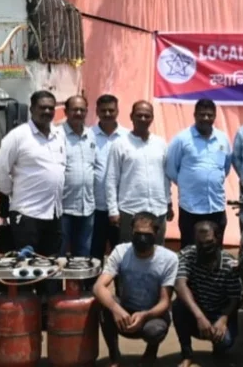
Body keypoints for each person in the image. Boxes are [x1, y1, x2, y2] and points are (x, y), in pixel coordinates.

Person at [92, 212, 178, 367]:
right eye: (138, 234)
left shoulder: (169, 259)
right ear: (131, 232)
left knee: (154, 331)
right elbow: (98, 287)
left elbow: (165, 301)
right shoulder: (121, 251)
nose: (142, 239)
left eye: (147, 235)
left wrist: (145, 315)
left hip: (153, 315)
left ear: (156, 234)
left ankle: (151, 353)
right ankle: (114, 358)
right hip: (125, 313)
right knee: (104, 304)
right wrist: (116, 310)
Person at [0, 90, 65, 256]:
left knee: (52, 266)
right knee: (28, 266)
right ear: (32, 109)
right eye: (42, 107)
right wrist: (14, 191)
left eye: (50, 108)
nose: (47, 111)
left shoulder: (59, 135)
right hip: (27, 216)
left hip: (54, 214)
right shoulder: (18, 136)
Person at [172, 221, 242, 367]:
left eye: (209, 242)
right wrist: (199, 317)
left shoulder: (229, 263)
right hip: (196, 312)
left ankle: (219, 352)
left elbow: (234, 298)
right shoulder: (187, 254)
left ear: (217, 239)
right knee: (177, 306)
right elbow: (180, 285)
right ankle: (187, 354)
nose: (204, 246)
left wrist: (223, 319)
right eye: (200, 243)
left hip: (219, 312)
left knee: (226, 341)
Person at [166, 98, 232, 248]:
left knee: (215, 249)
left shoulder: (222, 139)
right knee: (189, 250)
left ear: (215, 116)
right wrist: (188, 183)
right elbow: (171, 168)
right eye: (202, 114)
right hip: (190, 207)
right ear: (195, 115)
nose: (206, 118)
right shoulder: (182, 139)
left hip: (216, 206)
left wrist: (213, 178)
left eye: (210, 115)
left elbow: (225, 167)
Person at [106, 101, 173, 245]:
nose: (143, 119)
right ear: (131, 116)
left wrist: (168, 202)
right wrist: (113, 210)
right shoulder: (120, 144)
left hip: (158, 210)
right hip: (130, 211)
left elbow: (165, 177)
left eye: (147, 116)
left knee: (157, 252)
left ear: (152, 118)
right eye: (139, 115)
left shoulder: (160, 143)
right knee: (128, 252)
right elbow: (111, 178)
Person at [90, 94, 129, 260]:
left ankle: (119, 279)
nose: (107, 114)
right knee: (94, 252)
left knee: (120, 253)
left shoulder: (128, 137)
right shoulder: (88, 135)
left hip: (121, 208)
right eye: (103, 110)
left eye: (111, 110)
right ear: (97, 111)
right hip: (95, 207)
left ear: (117, 111)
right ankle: (93, 278)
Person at [60, 95, 96, 256]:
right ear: (66, 111)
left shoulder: (91, 135)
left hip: (87, 207)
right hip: (63, 208)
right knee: (59, 254)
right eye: (74, 109)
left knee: (83, 256)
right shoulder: (57, 135)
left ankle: (81, 275)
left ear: (87, 112)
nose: (79, 113)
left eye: (82, 110)